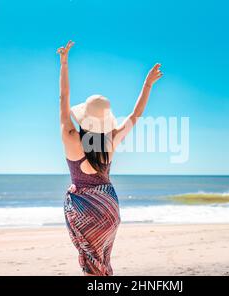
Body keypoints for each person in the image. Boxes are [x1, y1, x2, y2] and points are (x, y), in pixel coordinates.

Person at [57, 40, 163, 275]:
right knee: (103, 263)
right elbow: (136, 115)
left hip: (82, 207)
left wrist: (64, 63)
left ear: (84, 117)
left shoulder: (70, 135)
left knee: (90, 263)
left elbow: (63, 97)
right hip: (108, 208)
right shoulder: (110, 141)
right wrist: (147, 84)